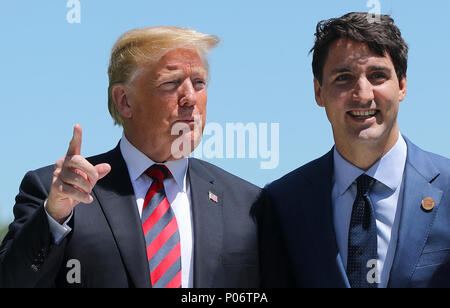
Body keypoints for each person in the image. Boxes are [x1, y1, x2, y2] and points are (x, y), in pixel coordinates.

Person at [0, 26, 260, 288]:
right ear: (124, 100)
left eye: (199, 83)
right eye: (171, 83)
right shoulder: (56, 193)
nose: (190, 98)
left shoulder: (250, 205)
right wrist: (54, 217)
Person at [255, 12, 450, 288]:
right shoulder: (282, 203)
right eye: (344, 77)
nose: (363, 93)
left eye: (377, 75)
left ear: (402, 86)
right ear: (319, 92)